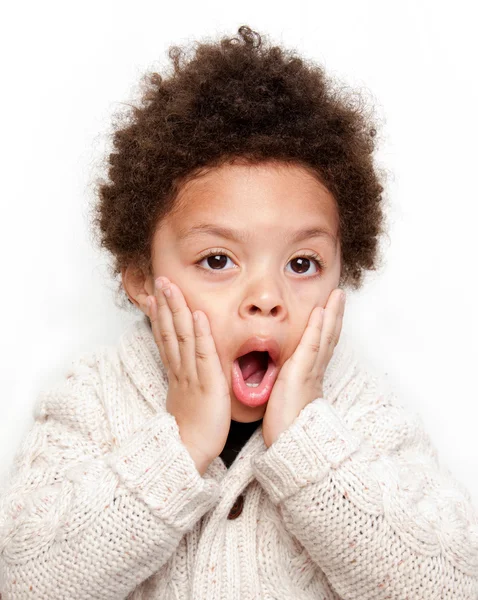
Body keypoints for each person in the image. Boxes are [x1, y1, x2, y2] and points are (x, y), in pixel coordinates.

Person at [0, 24, 477, 600]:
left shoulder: (361, 410)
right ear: (142, 280)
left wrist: (307, 445)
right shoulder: (93, 401)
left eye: (301, 264)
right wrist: (178, 443)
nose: (267, 296)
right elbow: (26, 581)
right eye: (219, 259)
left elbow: (452, 583)